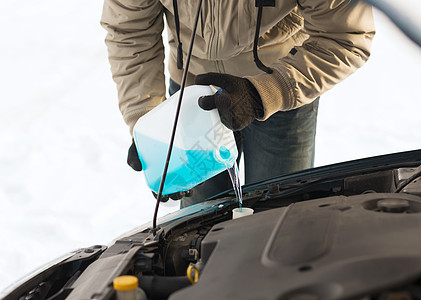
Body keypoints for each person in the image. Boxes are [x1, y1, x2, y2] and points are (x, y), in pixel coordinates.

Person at [100, 0, 375, 208]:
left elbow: (345, 36)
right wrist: (149, 125)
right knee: (201, 224)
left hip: (283, 93)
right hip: (191, 101)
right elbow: (128, 30)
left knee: (279, 219)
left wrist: (264, 93)